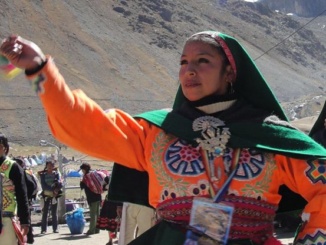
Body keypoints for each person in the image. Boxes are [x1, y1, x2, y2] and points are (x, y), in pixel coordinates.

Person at [1, 31, 326, 244]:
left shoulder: (270, 137)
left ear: (230, 72)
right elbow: (82, 124)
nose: (189, 70)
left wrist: (311, 239)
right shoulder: (157, 132)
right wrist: (39, 68)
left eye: (203, 61)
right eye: (183, 62)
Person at [0, 133, 30, 245]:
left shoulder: (13, 167)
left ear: (5, 148)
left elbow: (22, 194)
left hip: (7, 219)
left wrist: (25, 221)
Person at [13, 156, 40, 244]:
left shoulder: (24, 173)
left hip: (22, 200)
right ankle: (28, 238)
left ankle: (27, 238)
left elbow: (32, 185)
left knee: (24, 220)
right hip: (18, 201)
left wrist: (26, 195)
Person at [96, 175, 122, 245]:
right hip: (110, 203)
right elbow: (103, 187)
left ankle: (120, 239)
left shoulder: (122, 178)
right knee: (109, 221)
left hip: (119, 202)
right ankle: (110, 240)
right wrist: (107, 186)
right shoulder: (108, 178)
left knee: (121, 221)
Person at [38, 159, 62, 234]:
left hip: (54, 195)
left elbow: (59, 183)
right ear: (46, 166)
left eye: (52, 165)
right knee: (45, 212)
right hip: (46, 195)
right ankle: (43, 229)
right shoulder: (43, 175)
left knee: (54, 212)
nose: (50, 167)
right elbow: (43, 185)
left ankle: (55, 228)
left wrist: (57, 190)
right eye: (49, 165)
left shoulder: (56, 174)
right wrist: (52, 189)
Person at [79, 163, 102, 235]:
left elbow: (82, 186)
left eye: (82, 169)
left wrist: (81, 181)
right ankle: (97, 229)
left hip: (92, 198)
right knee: (97, 214)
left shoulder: (86, 177)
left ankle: (91, 230)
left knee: (92, 214)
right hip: (98, 196)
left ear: (85, 169)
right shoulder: (93, 174)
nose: (82, 171)